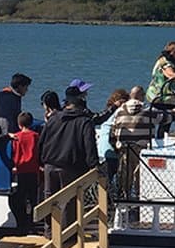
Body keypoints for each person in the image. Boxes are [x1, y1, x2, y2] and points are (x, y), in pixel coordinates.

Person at [37, 84, 100, 237]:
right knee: (69, 201)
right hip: (72, 166)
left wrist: (40, 161)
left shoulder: (53, 119)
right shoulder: (84, 121)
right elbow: (89, 146)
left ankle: (50, 231)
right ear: (81, 101)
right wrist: (94, 166)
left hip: (50, 164)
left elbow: (42, 141)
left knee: (49, 198)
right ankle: (66, 235)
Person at [110, 86, 162, 218]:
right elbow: (164, 118)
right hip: (141, 150)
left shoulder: (119, 110)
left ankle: (122, 208)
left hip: (124, 150)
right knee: (141, 179)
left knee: (124, 180)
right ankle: (140, 208)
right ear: (141, 96)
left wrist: (116, 147)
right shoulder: (146, 109)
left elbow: (112, 131)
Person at [145, 41, 175, 133]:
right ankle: (168, 136)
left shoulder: (166, 61)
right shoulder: (165, 62)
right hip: (164, 96)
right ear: (173, 52)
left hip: (168, 95)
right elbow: (170, 74)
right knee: (166, 119)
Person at [9, 111, 41, 232]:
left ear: (19, 124)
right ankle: (32, 222)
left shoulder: (16, 137)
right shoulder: (35, 136)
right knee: (33, 198)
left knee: (20, 197)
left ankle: (21, 223)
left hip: (20, 170)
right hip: (33, 170)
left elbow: (12, 153)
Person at [0, 73, 32, 142]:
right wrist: (8, 135)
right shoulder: (7, 99)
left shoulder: (13, 96)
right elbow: (4, 120)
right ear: (20, 86)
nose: (27, 90)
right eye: (26, 87)